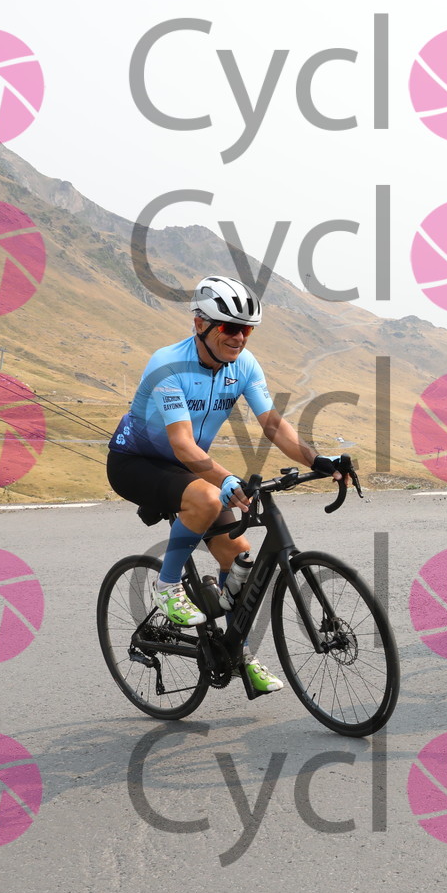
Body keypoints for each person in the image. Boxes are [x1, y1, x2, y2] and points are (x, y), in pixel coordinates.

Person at [106, 275, 348, 695]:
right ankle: (167, 588)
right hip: (136, 463)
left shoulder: (244, 366)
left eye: (247, 330)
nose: (239, 338)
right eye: (229, 327)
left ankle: (237, 654)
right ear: (200, 323)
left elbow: (273, 425)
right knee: (206, 496)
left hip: (187, 466)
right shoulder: (168, 365)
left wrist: (317, 459)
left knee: (240, 560)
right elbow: (182, 444)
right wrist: (226, 478)